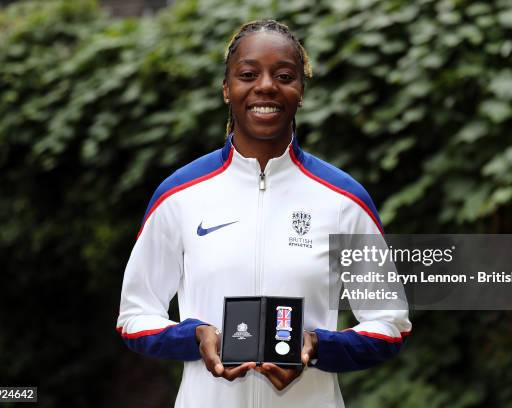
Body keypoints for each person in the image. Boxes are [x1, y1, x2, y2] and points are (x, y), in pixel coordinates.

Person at [116, 19, 411, 408]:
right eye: (248, 74)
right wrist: (194, 337)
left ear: (300, 92)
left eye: (284, 75)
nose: (266, 86)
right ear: (227, 89)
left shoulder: (344, 200)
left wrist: (319, 346)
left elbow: (390, 323)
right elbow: (134, 315)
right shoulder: (179, 195)